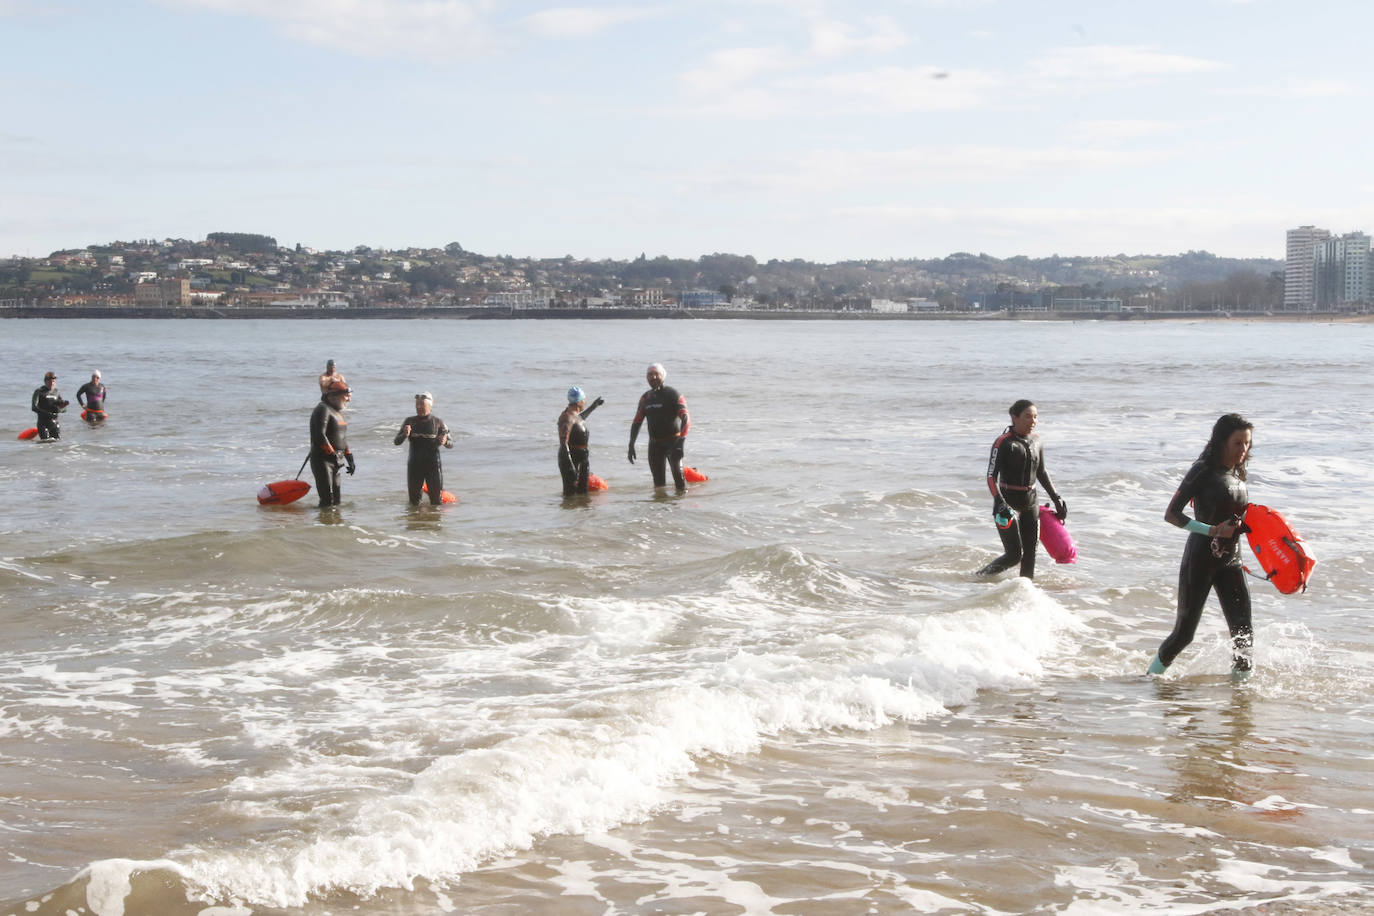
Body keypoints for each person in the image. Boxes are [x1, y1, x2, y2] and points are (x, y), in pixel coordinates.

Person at [1147, 413, 1254, 676]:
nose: (1243, 449)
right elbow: (1172, 514)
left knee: (1244, 635)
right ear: (1222, 441)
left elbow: (1236, 517)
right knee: (1184, 634)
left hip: (1232, 561)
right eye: (1237, 443)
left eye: (1247, 443)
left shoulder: (1238, 472)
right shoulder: (1203, 470)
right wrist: (1213, 530)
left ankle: (1240, 702)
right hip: (1200, 560)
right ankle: (1150, 679)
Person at [977, 399, 1068, 579]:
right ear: (1014, 417)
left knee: (1030, 554)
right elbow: (990, 476)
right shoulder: (1003, 442)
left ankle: (1027, 593)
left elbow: (1041, 472)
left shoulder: (1037, 441)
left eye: (1035, 417)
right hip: (1007, 504)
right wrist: (999, 502)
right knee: (1013, 555)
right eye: (1027, 416)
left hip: (1030, 502)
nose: (1032, 421)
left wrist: (1057, 500)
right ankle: (978, 578)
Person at [628, 363, 690, 490]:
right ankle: (659, 509)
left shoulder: (673, 394)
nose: (653, 377)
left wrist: (681, 442)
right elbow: (637, 422)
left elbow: (686, 418)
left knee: (679, 481)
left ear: (663, 376)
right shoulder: (645, 398)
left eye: (656, 374)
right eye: (650, 375)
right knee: (658, 484)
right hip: (655, 445)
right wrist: (631, 445)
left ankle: (681, 508)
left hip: (673, 443)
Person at [394, 392, 453, 506]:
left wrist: (445, 442)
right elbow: (397, 441)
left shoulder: (438, 422)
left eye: (422, 405)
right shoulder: (409, 421)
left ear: (430, 405)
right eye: (417, 405)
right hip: (415, 466)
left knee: (436, 502)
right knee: (414, 502)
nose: (419, 407)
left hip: (433, 466)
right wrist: (405, 435)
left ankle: (433, 522)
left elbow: (451, 444)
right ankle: (415, 522)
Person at [310, 379, 353, 507]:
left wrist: (349, 457)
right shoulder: (323, 409)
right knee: (327, 500)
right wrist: (331, 453)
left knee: (337, 501)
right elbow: (319, 435)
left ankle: (335, 525)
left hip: (336, 461)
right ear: (333, 396)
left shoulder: (337, 413)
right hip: (323, 460)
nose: (348, 400)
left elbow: (342, 439)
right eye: (346, 397)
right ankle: (323, 524)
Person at [558, 387, 604, 496]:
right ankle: (569, 512)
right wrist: (571, 469)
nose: (585, 402)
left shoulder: (575, 416)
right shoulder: (567, 417)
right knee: (570, 495)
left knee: (583, 495)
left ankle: (583, 513)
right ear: (579, 401)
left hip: (582, 459)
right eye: (584, 399)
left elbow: (580, 419)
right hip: (571, 460)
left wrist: (593, 406)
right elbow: (564, 444)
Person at [30, 371, 68, 441]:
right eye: (50, 381)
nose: (52, 383)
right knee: (45, 442)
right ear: (45, 381)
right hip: (43, 423)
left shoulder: (56, 392)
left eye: (53, 381)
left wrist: (63, 406)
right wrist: (47, 414)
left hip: (54, 423)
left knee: (57, 442)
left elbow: (63, 410)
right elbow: (34, 407)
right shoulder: (39, 391)